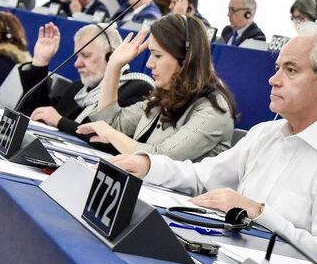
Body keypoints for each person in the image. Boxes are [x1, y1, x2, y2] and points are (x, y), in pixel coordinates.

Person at [111, 22, 317, 259]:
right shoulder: (265, 133)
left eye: (291, 70)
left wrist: (257, 212)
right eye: (277, 68)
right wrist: (146, 166)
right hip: (225, 258)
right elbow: (201, 178)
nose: (274, 79)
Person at [76, 14, 235, 162]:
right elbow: (112, 123)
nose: (149, 63)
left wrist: (111, 134)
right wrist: (113, 67)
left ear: (185, 58)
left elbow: (160, 158)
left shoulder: (213, 110)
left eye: (157, 55)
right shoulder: (166, 95)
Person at [19, 23, 153, 136]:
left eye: (86, 55)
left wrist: (61, 122)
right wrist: (40, 62)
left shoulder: (136, 88)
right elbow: (36, 113)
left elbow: (109, 139)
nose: (77, 64)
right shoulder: (79, 87)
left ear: (111, 55)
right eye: (77, 56)